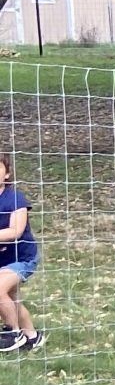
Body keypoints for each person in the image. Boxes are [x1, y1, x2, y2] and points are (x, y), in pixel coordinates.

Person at [0, 151, 44, 354]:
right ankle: (32, 337)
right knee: (9, 297)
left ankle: (13, 334)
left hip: (22, 258)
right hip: (2, 260)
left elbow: (14, 232)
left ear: (7, 174)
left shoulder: (16, 199)